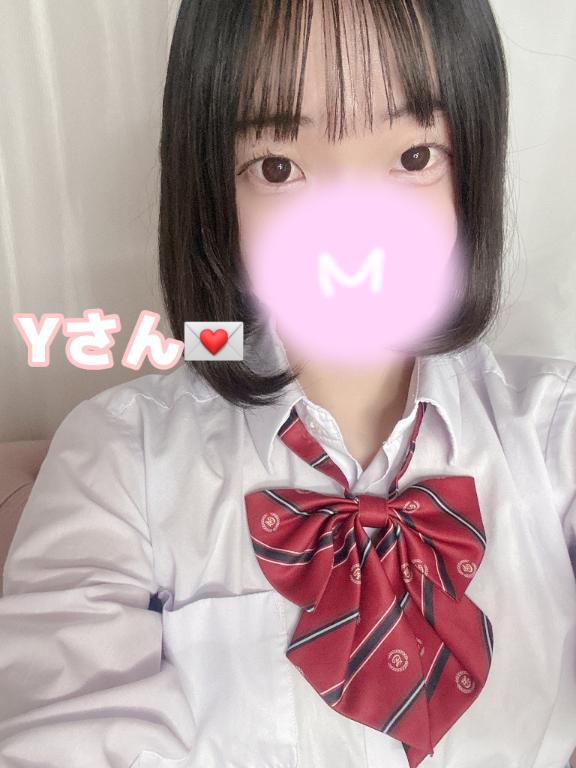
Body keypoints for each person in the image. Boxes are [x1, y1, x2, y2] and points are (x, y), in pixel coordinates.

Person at [1, 0, 575, 766]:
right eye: (279, 168)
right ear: (215, 189)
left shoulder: (558, 433)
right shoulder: (116, 457)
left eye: (414, 157)